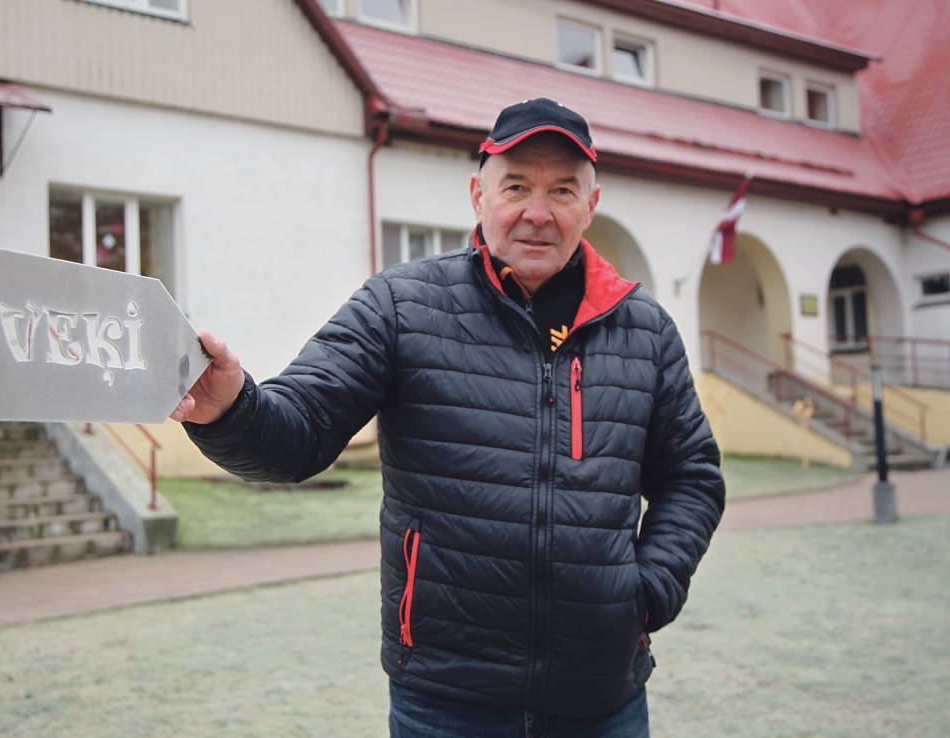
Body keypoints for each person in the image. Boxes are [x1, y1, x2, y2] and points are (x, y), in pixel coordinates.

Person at [171, 98, 725, 738]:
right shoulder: (402, 306)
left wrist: (645, 595)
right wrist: (232, 409)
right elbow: (299, 432)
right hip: (446, 700)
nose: (537, 212)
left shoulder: (644, 330)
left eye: (562, 190)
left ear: (591, 206)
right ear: (477, 195)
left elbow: (692, 477)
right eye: (515, 186)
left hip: (603, 698)